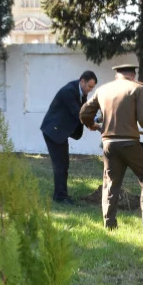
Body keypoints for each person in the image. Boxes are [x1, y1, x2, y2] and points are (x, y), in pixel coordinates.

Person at [79, 63, 143, 229]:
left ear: (116, 76)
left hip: (109, 144)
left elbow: (84, 112)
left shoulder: (103, 89)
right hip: (129, 143)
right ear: (133, 76)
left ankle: (109, 223)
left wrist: (90, 124)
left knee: (111, 183)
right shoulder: (136, 89)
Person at [40, 70, 97, 204]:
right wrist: (95, 123)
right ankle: (60, 197)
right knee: (60, 164)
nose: (90, 90)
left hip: (60, 131)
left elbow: (84, 111)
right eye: (89, 86)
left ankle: (61, 194)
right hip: (54, 131)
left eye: (92, 88)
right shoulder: (69, 91)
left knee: (63, 163)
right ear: (82, 81)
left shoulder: (81, 93)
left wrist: (95, 120)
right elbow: (79, 112)